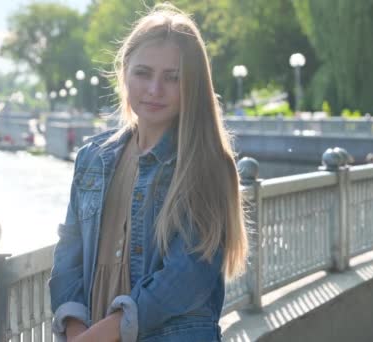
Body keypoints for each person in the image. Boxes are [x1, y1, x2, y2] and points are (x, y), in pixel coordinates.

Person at [49, 4, 248, 342]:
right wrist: (75, 328)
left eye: (173, 78)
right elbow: (68, 257)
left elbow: (186, 279)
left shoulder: (205, 164)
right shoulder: (91, 159)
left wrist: (94, 338)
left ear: (193, 85)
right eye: (143, 73)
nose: (155, 89)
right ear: (124, 72)